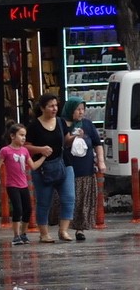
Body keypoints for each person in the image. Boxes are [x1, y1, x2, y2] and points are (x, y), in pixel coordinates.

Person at [0, 123, 45, 246]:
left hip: (24, 185)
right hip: (12, 185)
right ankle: (16, 236)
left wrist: (43, 157)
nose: (23, 138)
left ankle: (23, 233)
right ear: (12, 136)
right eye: (21, 135)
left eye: (25, 135)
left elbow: (33, 166)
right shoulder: (5, 151)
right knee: (18, 209)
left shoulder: (25, 151)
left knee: (28, 209)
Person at [24, 93, 75, 243]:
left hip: (63, 163)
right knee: (44, 201)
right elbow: (26, 146)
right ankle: (44, 233)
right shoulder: (33, 126)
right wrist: (40, 149)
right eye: (51, 106)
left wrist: (76, 137)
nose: (54, 109)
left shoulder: (60, 122)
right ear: (42, 108)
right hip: (42, 167)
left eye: (56, 105)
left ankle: (63, 230)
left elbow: (66, 141)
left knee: (69, 198)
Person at [60, 97, 106, 241]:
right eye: (78, 109)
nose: (81, 112)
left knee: (83, 200)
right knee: (69, 199)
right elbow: (63, 143)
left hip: (86, 169)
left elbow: (97, 143)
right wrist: (74, 135)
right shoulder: (62, 124)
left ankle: (80, 229)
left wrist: (100, 161)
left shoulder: (87, 124)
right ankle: (64, 229)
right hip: (68, 169)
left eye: (83, 109)